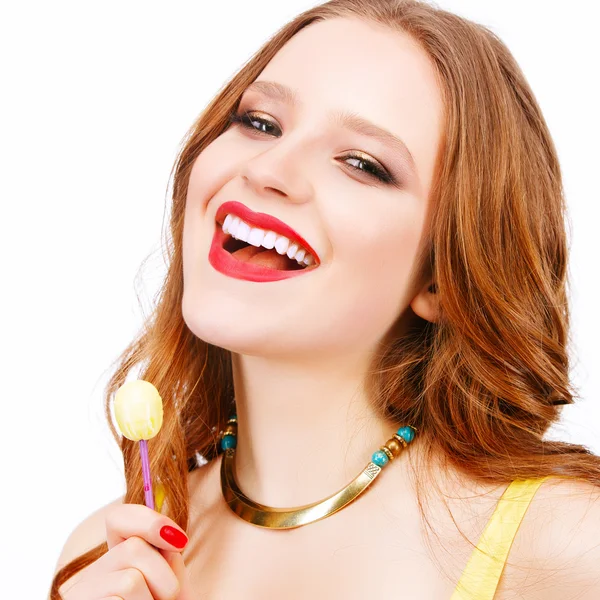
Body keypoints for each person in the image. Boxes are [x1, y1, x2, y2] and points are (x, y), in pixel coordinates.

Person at [49, 0, 600, 598]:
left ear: (441, 278)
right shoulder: (102, 557)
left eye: (361, 164)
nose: (269, 168)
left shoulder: (568, 546)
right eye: (260, 122)